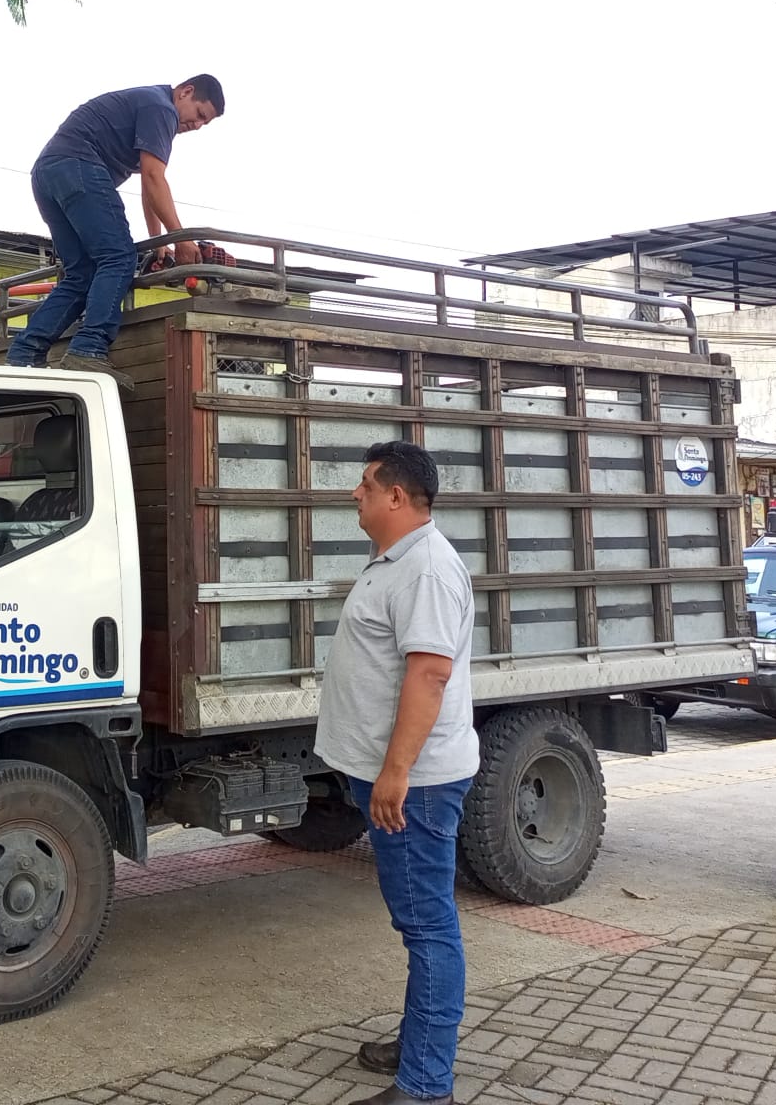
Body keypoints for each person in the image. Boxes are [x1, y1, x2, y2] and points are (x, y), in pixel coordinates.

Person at [316, 441, 478, 1105]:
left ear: (397, 496)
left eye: (365, 484)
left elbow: (430, 673)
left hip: (419, 784)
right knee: (420, 923)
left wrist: (396, 771)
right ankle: (420, 1048)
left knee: (428, 927)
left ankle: (425, 1086)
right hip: (403, 778)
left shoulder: (426, 570)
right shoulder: (397, 560)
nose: (354, 494)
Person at [5, 77, 225, 387]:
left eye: (205, 123)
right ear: (186, 92)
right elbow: (154, 177)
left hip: (48, 174)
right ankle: (89, 349)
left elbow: (149, 184)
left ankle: (25, 352)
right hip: (78, 166)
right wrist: (182, 239)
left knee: (81, 274)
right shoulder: (162, 108)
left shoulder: (150, 104)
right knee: (119, 258)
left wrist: (159, 242)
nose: (198, 126)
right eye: (200, 114)